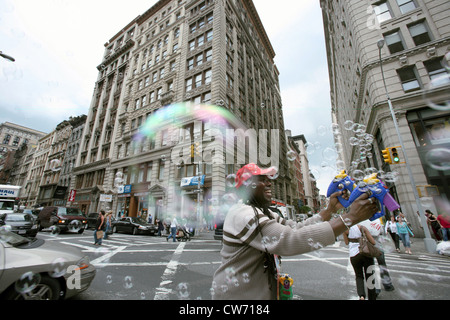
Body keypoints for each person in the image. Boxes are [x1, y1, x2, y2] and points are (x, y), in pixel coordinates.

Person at [211, 163, 378, 300]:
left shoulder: (263, 212)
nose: (270, 183)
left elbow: (295, 227)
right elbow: (288, 239)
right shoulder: (242, 213)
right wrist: (350, 218)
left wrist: (329, 211)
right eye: (262, 179)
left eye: (269, 179)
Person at [343, 224, 377, 300]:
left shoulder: (345, 230)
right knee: (370, 276)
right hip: (366, 254)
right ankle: (372, 297)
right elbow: (373, 242)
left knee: (359, 276)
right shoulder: (362, 228)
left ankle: (361, 295)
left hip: (354, 255)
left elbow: (346, 242)